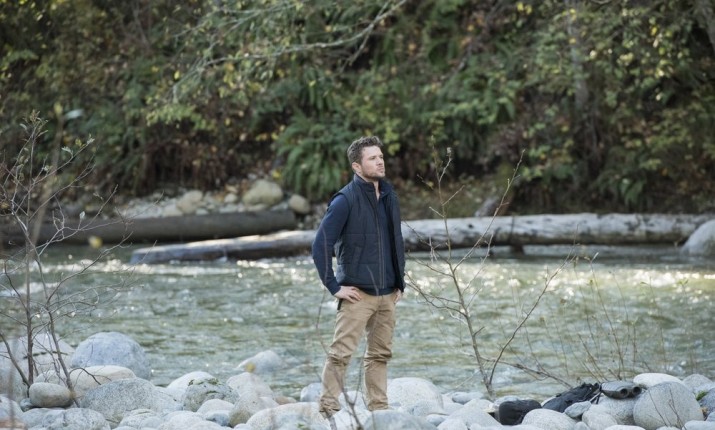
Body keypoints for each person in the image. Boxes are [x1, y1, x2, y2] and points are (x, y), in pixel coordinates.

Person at [311, 135, 405, 418]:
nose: (380, 162)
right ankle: (328, 410)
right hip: (357, 295)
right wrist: (333, 286)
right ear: (356, 166)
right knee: (340, 354)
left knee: (379, 355)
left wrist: (400, 282)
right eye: (372, 158)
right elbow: (320, 245)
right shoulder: (345, 200)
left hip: (388, 293)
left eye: (381, 156)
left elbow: (395, 241)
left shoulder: (389, 196)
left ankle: (379, 410)